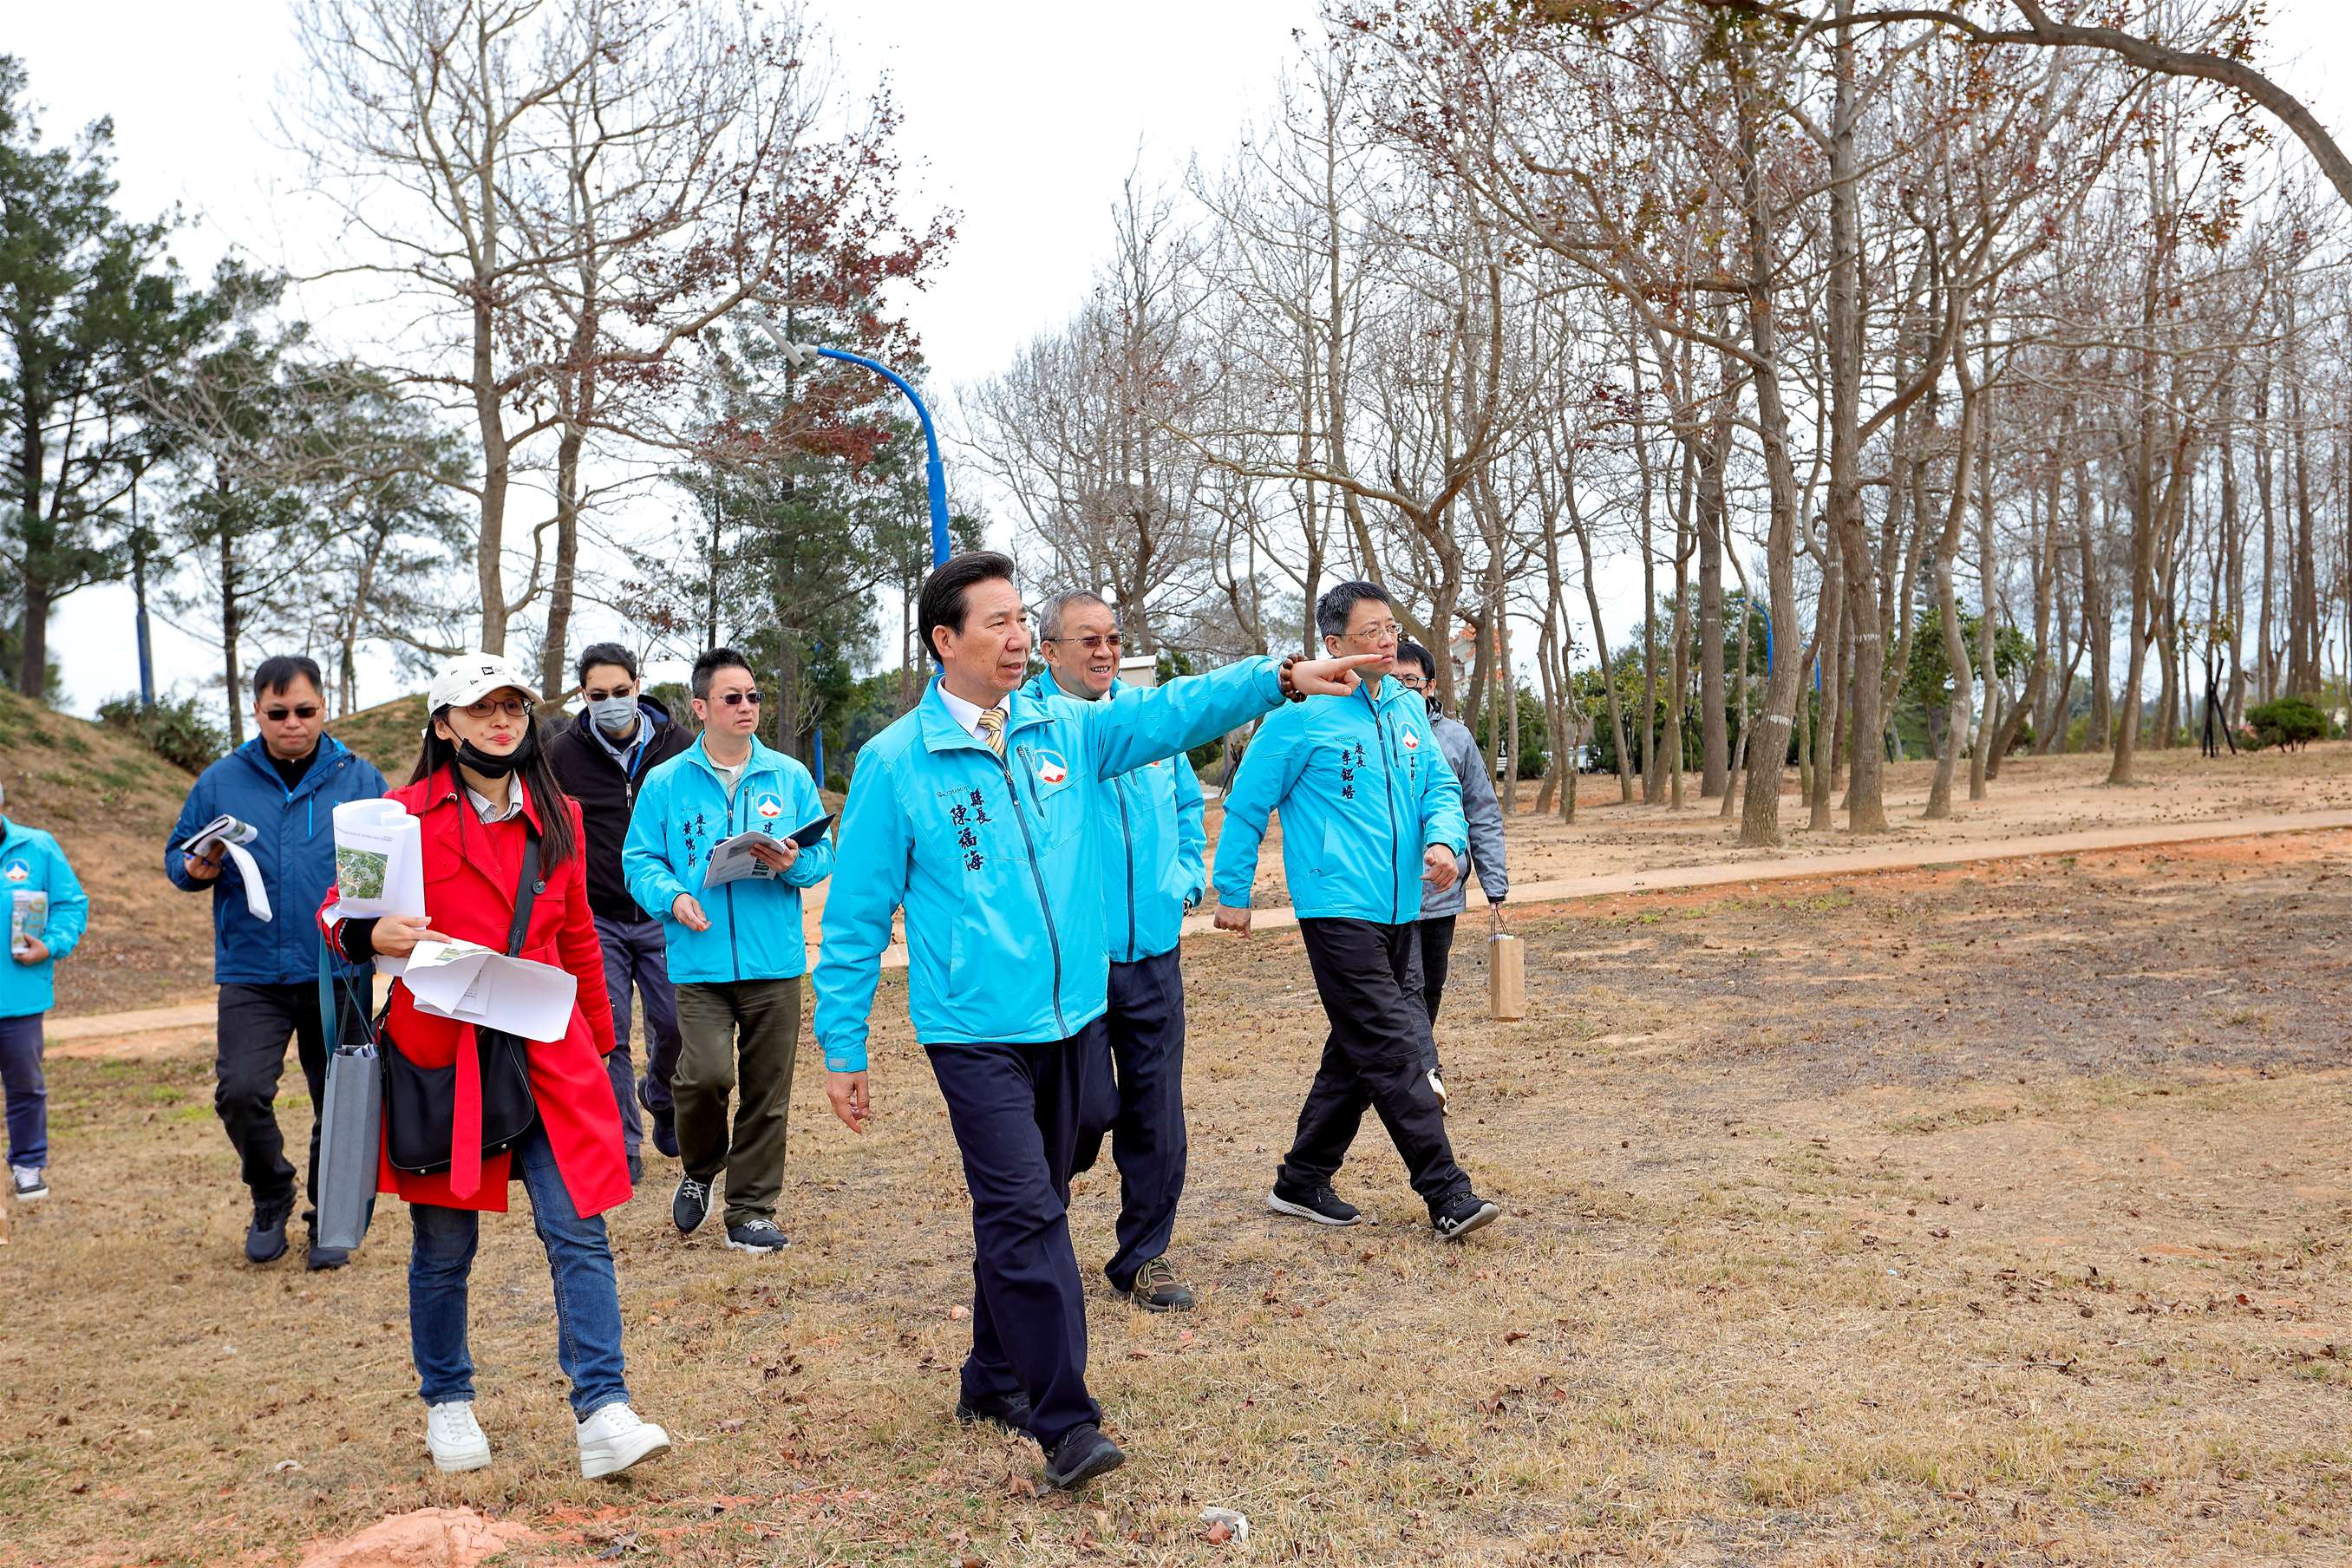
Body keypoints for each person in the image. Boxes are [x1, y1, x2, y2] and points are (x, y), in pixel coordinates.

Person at [815, 550, 1379, 1490]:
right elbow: (856, 917)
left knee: (1036, 1201)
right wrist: (842, 1043)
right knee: (1026, 1209)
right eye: (995, 621)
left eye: (1019, 616)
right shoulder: (894, 764)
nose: (1014, 635)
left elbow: (1168, 713)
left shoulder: (1064, 730)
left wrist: (1275, 678)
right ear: (943, 640)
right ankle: (1065, 1422)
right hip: (974, 1029)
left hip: (1074, 1015)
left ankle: (991, 1377)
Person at [319, 650, 670, 1480]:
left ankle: (604, 1410)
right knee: (444, 1245)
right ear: (445, 725)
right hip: (440, 1049)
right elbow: (338, 913)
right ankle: (449, 1402)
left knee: (577, 1227)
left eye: (513, 706)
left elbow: (579, 933)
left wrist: (600, 1043)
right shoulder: (391, 816)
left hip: (547, 1041)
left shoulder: (562, 818)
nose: (501, 721)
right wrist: (371, 935)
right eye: (481, 709)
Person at [1212, 581, 1501, 1242]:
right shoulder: (1298, 715)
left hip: (1405, 904)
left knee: (1357, 1049)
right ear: (1334, 644)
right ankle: (1446, 1190)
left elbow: (1441, 788)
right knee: (1394, 1046)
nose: (1386, 640)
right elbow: (1248, 805)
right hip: (1336, 908)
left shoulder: (1403, 706)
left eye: (1391, 627)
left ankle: (1302, 1178)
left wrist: (1445, 840)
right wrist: (1233, 893)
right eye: (1371, 631)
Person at [166, 654, 389, 1269]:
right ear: (257, 713)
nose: (293, 723)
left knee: (338, 1098)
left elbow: (393, 861)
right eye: (278, 713)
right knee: (239, 1092)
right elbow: (178, 861)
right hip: (252, 971)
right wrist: (194, 866)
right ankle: (271, 1192)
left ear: (325, 707)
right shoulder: (220, 781)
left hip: (336, 969)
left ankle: (330, 1215)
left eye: (305, 711)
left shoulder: (361, 778)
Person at [1018, 591, 1204, 1314]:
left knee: (1158, 1110)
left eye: (1113, 639)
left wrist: (1183, 879)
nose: (1104, 652)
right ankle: (1036, 1232)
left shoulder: (1145, 718)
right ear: (1051, 650)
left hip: (1153, 950)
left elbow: (1188, 809)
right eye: (1087, 640)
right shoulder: (1031, 729)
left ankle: (1143, 1257)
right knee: (1086, 1110)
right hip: (1074, 961)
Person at [622, 648, 833, 1257]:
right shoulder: (665, 782)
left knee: (768, 1092)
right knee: (704, 1076)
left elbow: (821, 855)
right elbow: (639, 860)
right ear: (701, 707)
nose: (746, 707)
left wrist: (795, 863)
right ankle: (700, 1166)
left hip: (775, 962)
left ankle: (752, 1209)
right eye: (732, 698)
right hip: (699, 960)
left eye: (754, 697)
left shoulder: (789, 777)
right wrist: (673, 898)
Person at [545, 642, 695, 1183]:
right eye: (598, 695)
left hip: (662, 912)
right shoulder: (561, 755)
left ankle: (661, 1093)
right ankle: (622, 1144)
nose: (611, 703)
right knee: (608, 1034)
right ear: (584, 696)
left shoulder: (679, 746)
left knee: (674, 1023)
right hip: (596, 916)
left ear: (638, 685)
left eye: (621, 692)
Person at [1392, 639, 1510, 1084]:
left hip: (1443, 891)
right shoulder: (1372, 735)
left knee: (1431, 988)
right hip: (1391, 892)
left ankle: (1411, 1067)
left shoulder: (1455, 738)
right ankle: (1427, 1073)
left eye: (1411, 681)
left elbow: (1480, 812)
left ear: (1430, 685)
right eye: (1392, 680)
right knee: (1409, 987)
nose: (1402, 689)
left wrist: (1493, 884)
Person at [1, 779, 89, 1200]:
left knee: (24, 1085)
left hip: (17, 996)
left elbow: (70, 903)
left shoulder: (37, 846)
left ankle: (28, 1165)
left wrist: (51, 945)